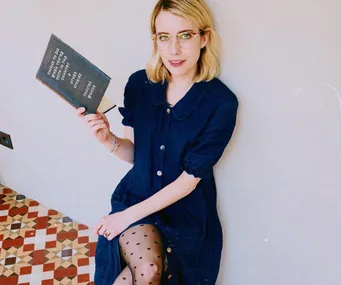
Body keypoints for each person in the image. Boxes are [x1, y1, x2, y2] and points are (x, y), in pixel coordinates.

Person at [77, 0, 239, 284]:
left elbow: (189, 181)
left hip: (185, 213)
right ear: (156, 40)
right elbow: (135, 154)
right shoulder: (140, 85)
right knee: (149, 270)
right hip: (138, 194)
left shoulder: (221, 102)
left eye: (185, 35)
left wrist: (124, 217)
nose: (173, 50)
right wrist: (108, 139)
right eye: (164, 37)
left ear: (204, 38)